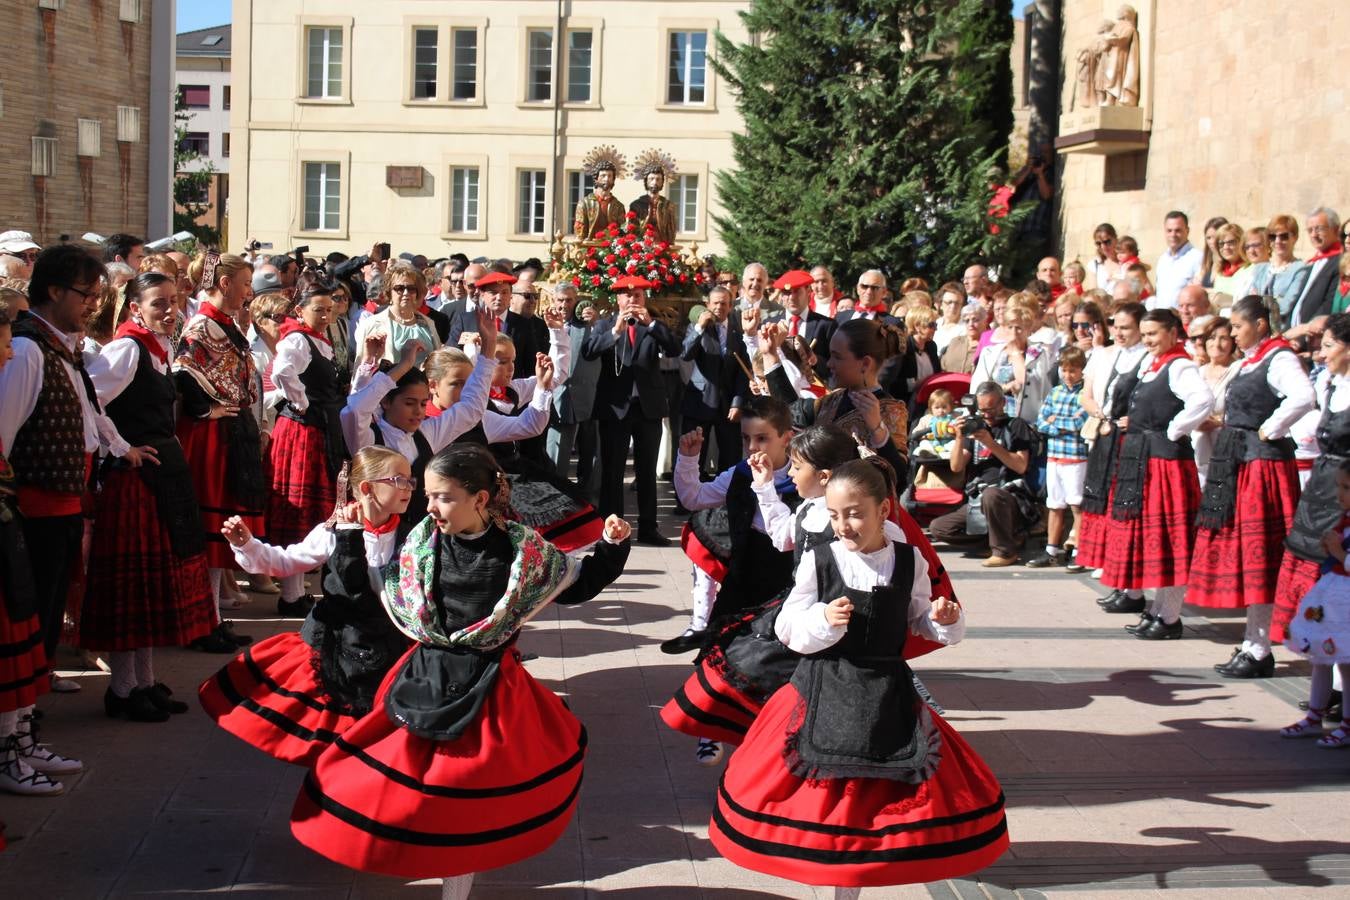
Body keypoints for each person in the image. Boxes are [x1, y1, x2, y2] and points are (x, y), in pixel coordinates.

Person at [289, 445, 631, 896]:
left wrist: (612, 545)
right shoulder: (421, 543)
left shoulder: (521, 553)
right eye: (428, 495)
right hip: (424, 675)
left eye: (443, 497)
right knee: (392, 781)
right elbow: (376, 588)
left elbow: (579, 583)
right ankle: (392, 848)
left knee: (466, 797)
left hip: (491, 687)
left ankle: (456, 886)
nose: (430, 507)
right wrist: (354, 533)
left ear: (481, 499)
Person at [709, 460, 1007, 894]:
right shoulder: (821, 558)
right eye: (834, 515)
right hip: (822, 686)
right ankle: (839, 884)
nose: (843, 525)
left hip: (887, 693)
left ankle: (854, 884)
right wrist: (823, 620)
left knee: (880, 802)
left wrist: (942, 619)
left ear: (884, 509)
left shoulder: (909, 560)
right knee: (827, 804)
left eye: (854, 513)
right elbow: (787, 627)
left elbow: (920, 619)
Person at [200, 446, 414, 765]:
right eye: (399, 480)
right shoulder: (332, 532)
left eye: (411, 481)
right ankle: (341, 765)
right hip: (342, 641)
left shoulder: (413, 531)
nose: (409, 488)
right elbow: (286, 562)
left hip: (390, 638)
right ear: (367, 488)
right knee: (342, 714)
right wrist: (246, 543)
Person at [81, 271, 216, 722]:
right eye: (158, 303)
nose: (170, 310)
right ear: (135, 307)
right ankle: (121, 691)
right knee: (135, 587)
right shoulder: (125, 348)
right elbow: (88, 400)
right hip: (134, 482)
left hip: (164, 478)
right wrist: (121, 448)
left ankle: (143, 681)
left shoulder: (156, 349)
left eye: (174, 301)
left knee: (156, 583)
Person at [0, 245, 131, 689]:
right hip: (35, 509)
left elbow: (89, 416)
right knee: (34, 603)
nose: (94, 304)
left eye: (97, 295)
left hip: (64, 502)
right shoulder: (27, 349)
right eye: (86, 294)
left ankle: (35, 694)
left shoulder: (60, 347)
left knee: (51, 603)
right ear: (53, 291)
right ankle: (22, 715)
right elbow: (5, 435)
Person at [1188, 296, 1314, 676]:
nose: (1233, 334)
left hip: (1263, 466)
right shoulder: (1251, 361)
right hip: (1240, 463)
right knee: (1248, 555)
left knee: (1261, 556)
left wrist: (1270, 428)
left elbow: (1304, 396)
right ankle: (1253, 643)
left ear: (1260, 325)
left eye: (1239, 327)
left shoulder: (1279, 357)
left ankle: (1260, 647)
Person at [0, 300, 82, 796]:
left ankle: (20, 739)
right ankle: (8, 750)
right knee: (13, 640)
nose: (8, 353)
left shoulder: (41, 352)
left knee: (29, 629)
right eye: (2, 344)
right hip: (26, 512)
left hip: (19, 521)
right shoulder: (33, 353)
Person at [1095, 309, 1214, 639]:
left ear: (1173, 332)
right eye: (1144, 334)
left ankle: (1170, 614)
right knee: (1156, 539)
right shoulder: (1155, 364)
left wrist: (1174, 430)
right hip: (1145, 460)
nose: (1147, 340)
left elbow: (1203, 399)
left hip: (1167, 463)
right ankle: (1158, 609)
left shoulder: (1180, 365)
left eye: (1153, 334)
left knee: (1171, 540)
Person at [174, 253, 271, 639]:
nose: (249, 292)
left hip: (230, 432)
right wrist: (209, 410)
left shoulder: (224, 324)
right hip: (212, 436)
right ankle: (205, 619)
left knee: (222, 529)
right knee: (212, 527)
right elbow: (186, 375)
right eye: (246, 283)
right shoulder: (201, 327)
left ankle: (211, 617)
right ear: (225, 282)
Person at [341, 306, 497, 543]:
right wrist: (402, 366)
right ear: (386, 400)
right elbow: (353, 410)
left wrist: (489, 346)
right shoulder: (369, 439)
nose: (419, 412)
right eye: (409, 403)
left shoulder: (426, 432)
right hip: (372, 540)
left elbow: (471, 409)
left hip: (418, 540)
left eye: (424, 403)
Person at [264, 272, 347, 604]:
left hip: (317, 428)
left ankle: (296, 592)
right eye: (319, 309)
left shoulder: (317, 339)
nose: (326, 316)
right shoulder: (296, 339)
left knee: (312, 512)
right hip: (302, 431)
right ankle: (291, 594)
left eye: (329, 309)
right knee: (299, 511)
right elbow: (281, 371)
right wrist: (301, 401)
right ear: (300, 310)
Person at [583, 274, 681, 546]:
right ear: (618, 299)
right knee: (612, 470)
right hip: (615, 409)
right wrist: (614, 332)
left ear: (644, 298)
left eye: (637, 295)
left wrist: (651, 324)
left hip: (647, 408)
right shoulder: (605, 325)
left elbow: (675, 348)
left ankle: (649, 527)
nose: (632, 300)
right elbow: (588, 352)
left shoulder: (652, 326)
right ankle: (612, 528)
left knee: (647, 470)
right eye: (627, 296)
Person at [1272, 314, 1350, 649]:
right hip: (1321, 487)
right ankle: (1322, 661)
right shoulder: (1330, 385)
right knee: (1311, 562)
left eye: (1329, 346)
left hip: (1345, 493)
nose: (1320, 353)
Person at [762, 317, 910, 483]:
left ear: (865, 363)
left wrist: (878, 429)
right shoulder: (833, 399)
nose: (830, 364)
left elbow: (898, 479)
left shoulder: (891, 410)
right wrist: (770, 355)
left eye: (837, 357)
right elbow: (792, 411)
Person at [1069, 302, 1149, 575]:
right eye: (1116, 326)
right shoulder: (1105, 355)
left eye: (1127, 327)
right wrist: (1098, 412)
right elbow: (1087, 394)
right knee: (1099, 493)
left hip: (1130, 439)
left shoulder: (1146, 358)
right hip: (1105, 433)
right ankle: (1100, 556)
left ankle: (1119, 563)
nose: (1120, 332)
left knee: (1121, 499)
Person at [928, 381, 1038, 566]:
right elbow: (956, 466)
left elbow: (1020, 466)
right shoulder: (976, 426)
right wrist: (959, 437)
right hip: (978, 499)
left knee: (991, 494)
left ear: (1002, 403)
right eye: (982, 410)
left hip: (1009, 497)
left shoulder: (1015, 425)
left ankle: (1004, 552)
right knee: (939, 528)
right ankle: (1003, 540)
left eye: (991, 409)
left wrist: (991, 443)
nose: (986, 415)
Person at [1280, 458, 1350, 746]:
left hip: (1345, 602)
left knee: (1346, 664)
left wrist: (1340, 553)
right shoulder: (1345, 519)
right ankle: (1314, 715)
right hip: (1332, 597)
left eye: (1346, 488)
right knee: (1321, 658)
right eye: (1340, 487)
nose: (1340, 494)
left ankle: (1347, 723)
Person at [1028, 346, 1091, 568]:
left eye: (1073, 370)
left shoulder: (1085, 394)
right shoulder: (1055, 392)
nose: (1068, 375)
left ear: (1082, 370)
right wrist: (1056, 423)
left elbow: (1079, 423)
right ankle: (1052, 550)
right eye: (1064, 370)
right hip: (1055, 456)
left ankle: (1079, 551)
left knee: (1076, 504)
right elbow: (1041, 422)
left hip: (1076, 457)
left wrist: (1056, 421)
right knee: (1054, 504)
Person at [680, 285, 748, 475]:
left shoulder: (738, 330)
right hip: (700, 402)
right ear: (708, 304)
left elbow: (743, 370)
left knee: (730, 459)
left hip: (728, 406)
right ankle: (687, 503)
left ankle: (727, 503)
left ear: (730, 305)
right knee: (694, 459)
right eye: (715, 303)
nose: (719, 307)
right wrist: (700, 327)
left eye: (724, 303)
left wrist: (738, 403)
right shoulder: (698, 327)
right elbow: (685, 354)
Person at [546, 285, 601, 490]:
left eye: (569, 300)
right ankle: (555, 494)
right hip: (557, 397)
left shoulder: (587, 323)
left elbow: (601, 342)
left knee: (590, 455)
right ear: (553, 300)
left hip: (588, 397)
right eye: (560, 300)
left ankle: (587, 498)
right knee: (556, 454)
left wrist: (595, 323)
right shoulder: (545, 322)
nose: (564, 305)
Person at [972, 304, 1055, 424]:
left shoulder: (1039, 353)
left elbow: (1038, 386)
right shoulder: (990, 353)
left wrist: (1016, 353)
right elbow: (978, 387)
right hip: (994, 418)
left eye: (1019, 328)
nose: (1014, 333)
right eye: (1010, 327)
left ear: (1028, 329)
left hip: (1028, 420)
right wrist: (1004, 388)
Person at [352, 263, 440, 376]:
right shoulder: (371, 324)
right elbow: (360, 368)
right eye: (399, 288)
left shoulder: (428, 324)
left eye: (411, 289)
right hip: (387, 390)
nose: (406, 293)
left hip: (423, 389)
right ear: (389, 291)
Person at [1192, 317, 1240, 484]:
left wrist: (1220, 422)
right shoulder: (1197, 372)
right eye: (1212, 338)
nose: (1216, 344)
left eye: (1223, 338)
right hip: (1197, 444)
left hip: (1226, 444)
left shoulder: (1239, 369)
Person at [1287, 208, 1344, 336]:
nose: (1314, 235)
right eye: (1310, 230)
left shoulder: (1340, 262)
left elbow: (1328, 304)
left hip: (1312, 337)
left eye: (1319, 229)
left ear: (1335, 229)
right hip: (1294, 335)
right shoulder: (1313, 262)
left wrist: (1303, 335)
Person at [1248, 214, 1311, 320]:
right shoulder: (1259, 269)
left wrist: (1259, 300)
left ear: (1295, 238)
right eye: (1272, 237)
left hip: (1282, 329)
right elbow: (1248, 303)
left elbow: (1285, 307)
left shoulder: (1301, 269)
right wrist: (1274, 300)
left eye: (1284, 236)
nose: (1278, 241)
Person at [1154, 211, 1203, 310]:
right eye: (1169, 230)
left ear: (1187, 230)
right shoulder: (1163, 260)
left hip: (1183, 320)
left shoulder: (1197, 258)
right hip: (1162, 319)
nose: (1173, 234)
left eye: (1178, 230)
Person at [912, 389, 960, 460]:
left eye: (944, 407)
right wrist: (924, 436)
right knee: (924, 443)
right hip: (932, 443)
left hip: (948, 443)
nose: (940, 411)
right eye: (937, 408)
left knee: (954, 444)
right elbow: (915, 434)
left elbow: (961, 431)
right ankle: (929, 453)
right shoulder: (926, 419)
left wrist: (955, 432)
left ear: (951, 407)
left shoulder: (954, 418)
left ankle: (948, 454)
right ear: (931, 408)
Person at [941, 303, 987, 375]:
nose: (970, 324)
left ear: (984, 322)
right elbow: (943, 366)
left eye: (975, 320)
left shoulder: (988, 344)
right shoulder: (955, 342)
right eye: (967, 321)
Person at [1209, 223, 1251, 300]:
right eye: (1221, 244)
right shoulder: (1219, 272)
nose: (1226, 247)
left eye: (1231, 242)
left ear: (1241, 242)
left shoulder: (1251, 269)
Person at [933, 282, 967, 353]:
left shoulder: (966, 328)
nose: (953, 307)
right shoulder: (935, 324)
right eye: (949, 302)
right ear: (941, 304)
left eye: (957, 303)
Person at [1090, 224, 1122, 293]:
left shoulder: (1127, 262)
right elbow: (1094, 292)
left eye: (1107, 242)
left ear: (1116, 239)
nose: (1103, 247)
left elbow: (1137, 288)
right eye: (1098, 243)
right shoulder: (1095, 264)